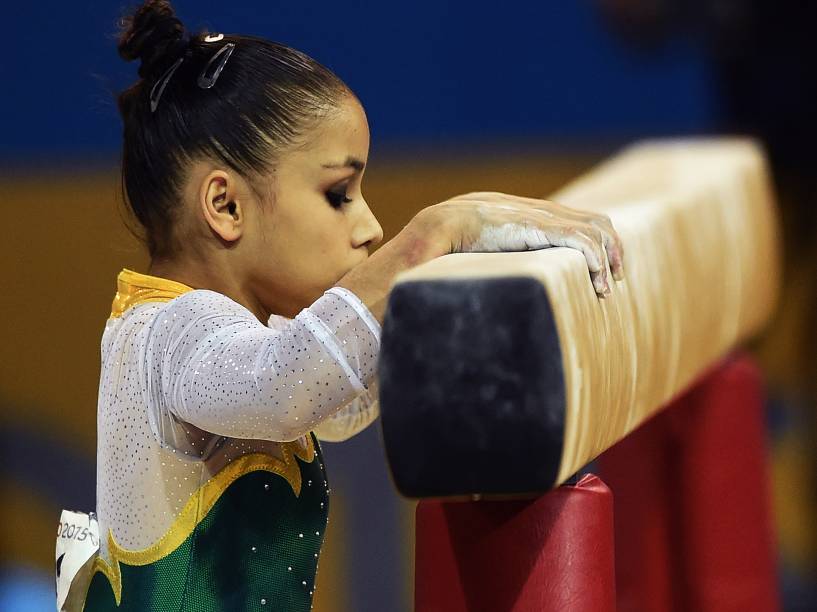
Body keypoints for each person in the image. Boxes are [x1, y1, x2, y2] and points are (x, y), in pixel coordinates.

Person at [58, 1, 625, 610]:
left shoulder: (238, 335)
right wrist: (431, 236)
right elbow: (285, 384)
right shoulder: (170, 334)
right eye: (338, 194)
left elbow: (339, 401)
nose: (371, 227)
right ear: (224, 206)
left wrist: (454, 278)